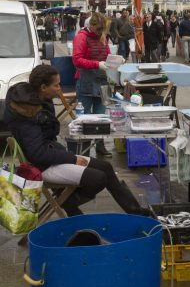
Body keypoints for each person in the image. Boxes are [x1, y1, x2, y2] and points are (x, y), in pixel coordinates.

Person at [4, 65, 143, 217]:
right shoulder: (29, 112)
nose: (59, 88)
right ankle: (64, 202)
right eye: (56, 85)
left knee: (106, 168)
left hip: (52, 154)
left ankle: (137, 213)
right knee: (98, 178)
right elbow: (38, 154)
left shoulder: (39, 101)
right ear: (43, 87)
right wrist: (73, 158)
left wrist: (69, 157)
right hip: (42, 166)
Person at [72, 12, 112, 157]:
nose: (101, 32)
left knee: (101, 116)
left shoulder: (102, 36)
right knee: (86, 118)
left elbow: (107, 54)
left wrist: (114, 61)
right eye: (99, 29)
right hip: (86, 81)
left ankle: (101, 146)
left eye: (103, 30)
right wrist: (97, 64)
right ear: (92, 25)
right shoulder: (81, 37)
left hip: (102, 80)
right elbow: (77, 60)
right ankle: (85, 150)